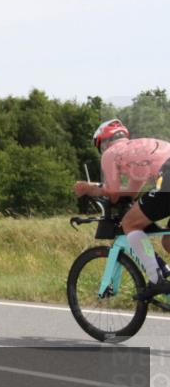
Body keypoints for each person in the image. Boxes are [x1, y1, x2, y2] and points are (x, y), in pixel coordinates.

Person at [73, 119, 170, 300]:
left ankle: (157, 279)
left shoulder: (111, 153)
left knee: (130, 223)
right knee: (168, 242)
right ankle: (163, 272)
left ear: (103, 142)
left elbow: (114, 194)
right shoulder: (139, 150)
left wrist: (88, 188)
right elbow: (131, 194)